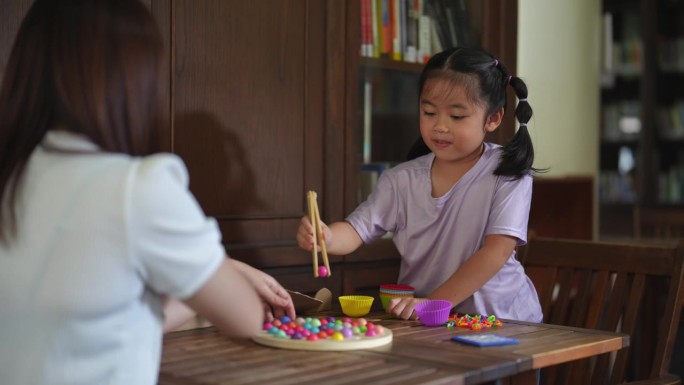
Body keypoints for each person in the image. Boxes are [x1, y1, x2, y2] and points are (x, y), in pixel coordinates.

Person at [0, 1, 294, 384]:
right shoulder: (136, 188)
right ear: (133, 81)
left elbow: (112, 321)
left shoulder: (12, 178)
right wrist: (221, 270)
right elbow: (245, 317)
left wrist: (221, 270)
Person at [297, 47, 543, 323]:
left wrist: (432, 303)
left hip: (503, 321)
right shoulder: (401, 179)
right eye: (429, 112)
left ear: (493, 118)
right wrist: (326, 237)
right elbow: (357, 229)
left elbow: (496, 252)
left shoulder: (508, 172)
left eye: (457, 116)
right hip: (428, 321)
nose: (440, 126)